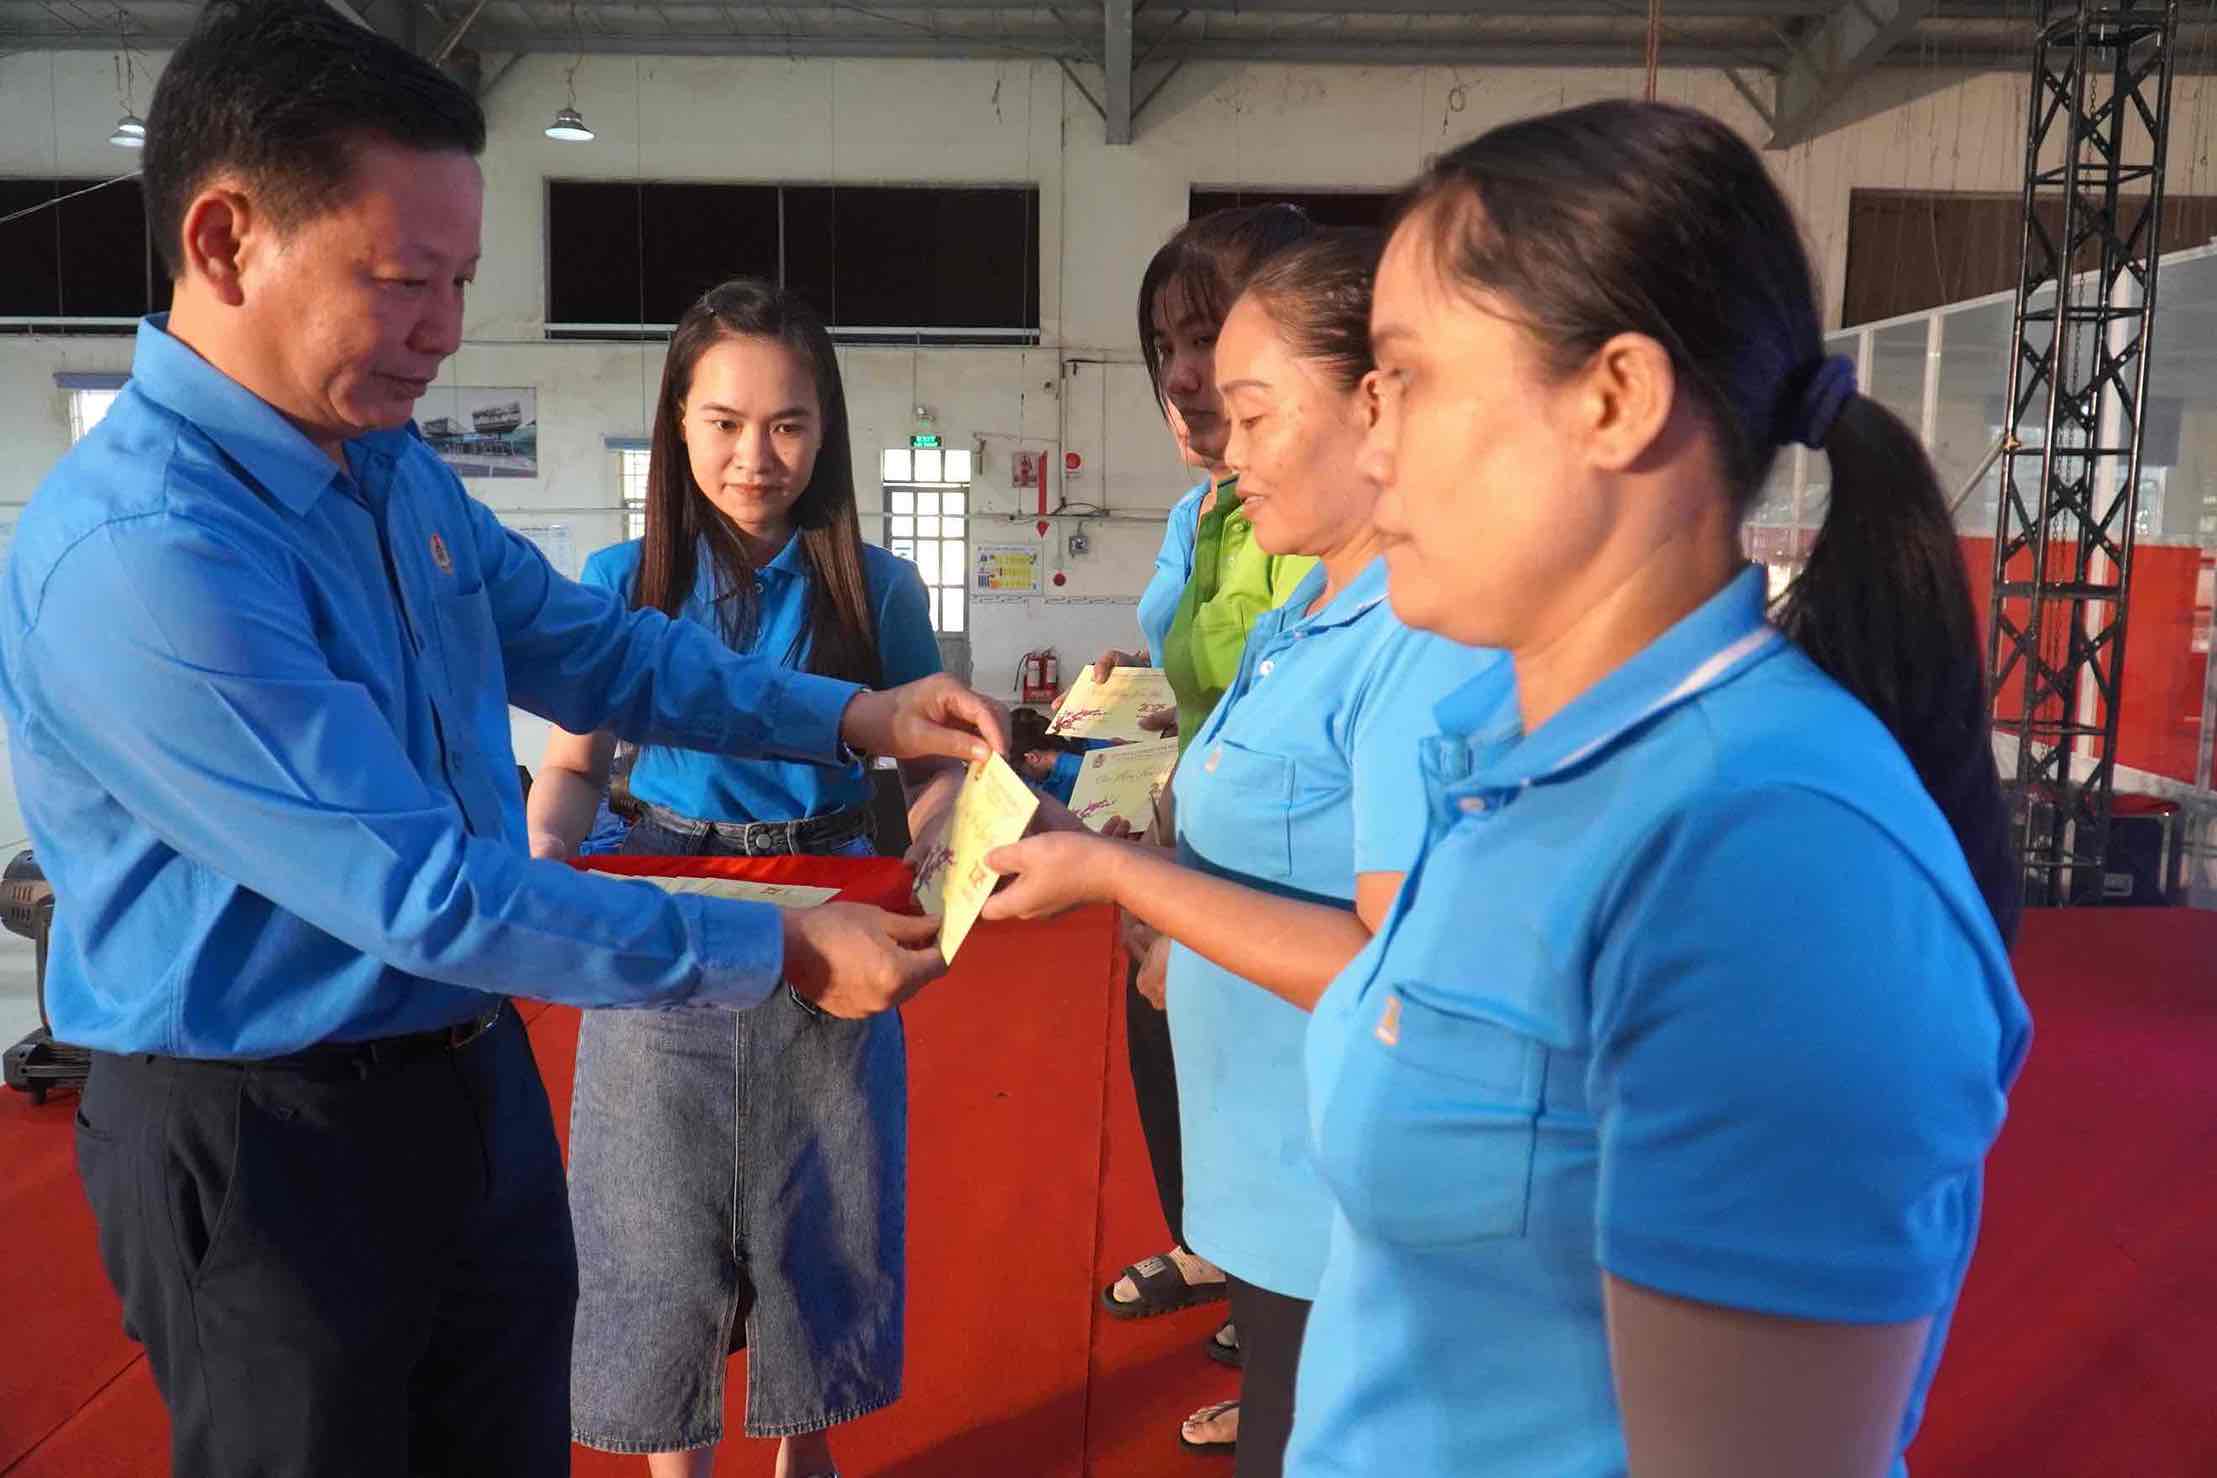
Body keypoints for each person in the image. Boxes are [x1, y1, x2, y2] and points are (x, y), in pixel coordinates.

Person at [0, 6, 1004, 1476]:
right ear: (224, 243)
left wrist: (855, 713)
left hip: (466, 1078)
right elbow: (424, 890)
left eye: (462, 281)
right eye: (403, 281)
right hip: (270, 1135)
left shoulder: (389, 469)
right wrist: (779, 942)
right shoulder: (153, 553)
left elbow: (599, 648)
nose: (445, 329)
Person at [1280, 100, 2030, 1478]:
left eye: (1407, 377)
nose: (1370, 444)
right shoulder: (1516, 757)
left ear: (1615, 397)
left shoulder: (1769, 861)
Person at [984, 230, 1502, 1478]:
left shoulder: (1423, 640)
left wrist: (1123, 879)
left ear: (1376, 405)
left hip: (1345, 1199)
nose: (1231, 445)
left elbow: (1390, 969)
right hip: (1270, 1188)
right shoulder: (1299, 613)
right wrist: (1072, 835)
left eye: (1257, 412)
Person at [526, 280, 958, 1478]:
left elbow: (936, 762)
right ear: (677, 422)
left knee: (819, 1206)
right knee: (650, 1215)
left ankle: (800, 1447)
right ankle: (676, 1462)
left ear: (827, 433)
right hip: (665, 907)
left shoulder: (877, 587)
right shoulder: (621, 579)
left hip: (834, 907)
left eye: (788, 424)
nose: (755, 457)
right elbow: (575, 764)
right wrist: (548, 850)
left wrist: (936, 850)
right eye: (723, 422)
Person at [1086, 206, 1320, 1448]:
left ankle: (1284, 1361)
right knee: (1192, 1099)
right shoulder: (1207, 514)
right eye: (1166, 346)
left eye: (1211, 340)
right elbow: (1211, 689)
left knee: (1298, 1167)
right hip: (1188, 851)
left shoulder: (1337, 553)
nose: (1184, 376)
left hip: (1262, 888)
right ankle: (1234, 1276)